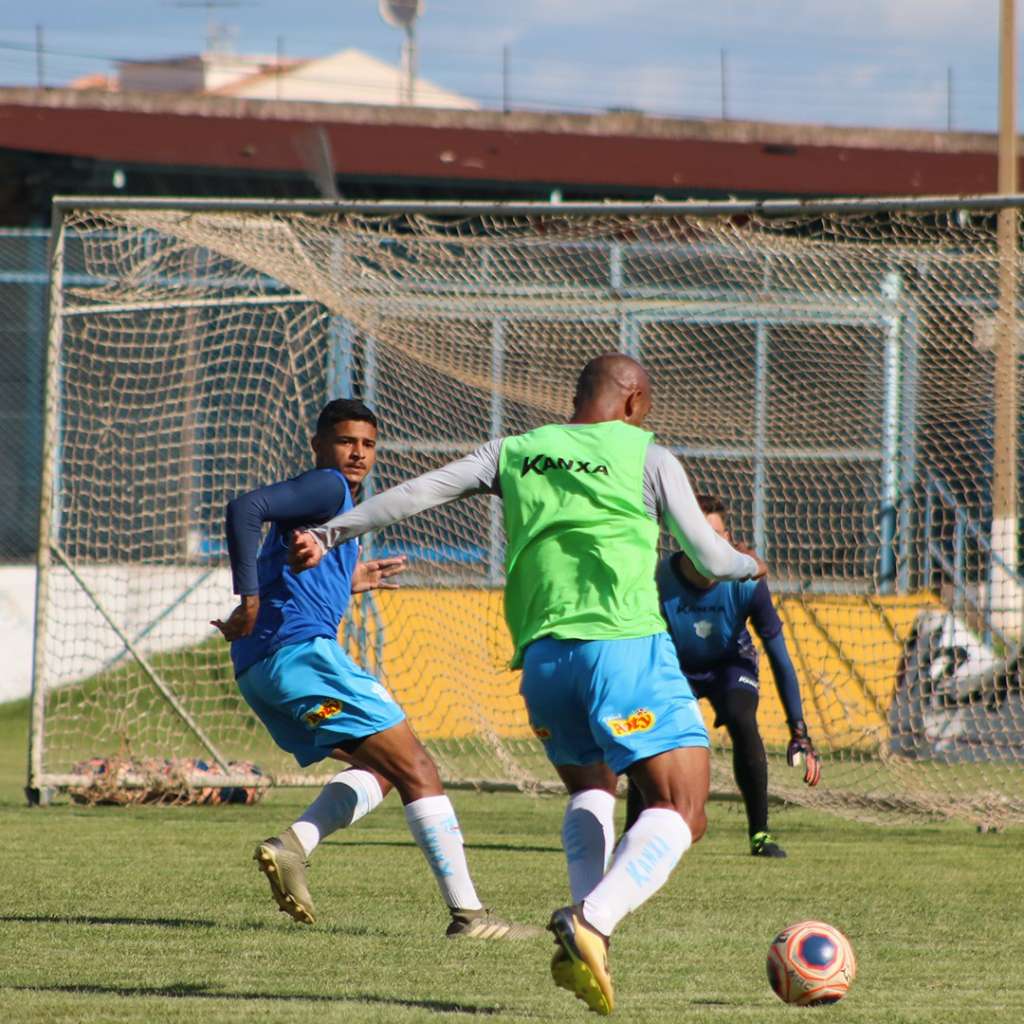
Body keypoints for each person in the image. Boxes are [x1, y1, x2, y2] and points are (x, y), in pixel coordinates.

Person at [289, 356, 767, 1016]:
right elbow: (709, 556)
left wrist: (327, 531)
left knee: (592, 787)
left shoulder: (514, 451)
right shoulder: (647, 455)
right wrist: (749, 564)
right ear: (633, 402)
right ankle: (591, 920)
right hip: (622, 646)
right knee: (684, 807)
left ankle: (590, 940)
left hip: (544, 665)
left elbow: (419, 492)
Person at [212, 397, 534, 940]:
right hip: (300, 656)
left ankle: (293, 846)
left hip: (260, 670)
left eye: (367, 444)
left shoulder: (333, 515)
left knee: (386, 770)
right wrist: (248, 600)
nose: (358, 453)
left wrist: (347, 580)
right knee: (420, 769)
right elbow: (245, 507)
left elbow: (289, 570)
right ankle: (470, 917)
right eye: (345, 441)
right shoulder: (329, 487)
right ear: (318, 445)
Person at [625, 494, 821, 858]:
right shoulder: (658, 580)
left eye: (716, 536)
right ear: (683, 538)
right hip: (675, 666)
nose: (708, 546)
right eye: (698, 535)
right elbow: (639, 647)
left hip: (730, 665)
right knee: (650, 731)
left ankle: (760, 835)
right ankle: (632, 834)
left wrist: (799, 730)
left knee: (741, 717)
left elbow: (779, 656)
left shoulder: (747, 581)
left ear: (728, 538)